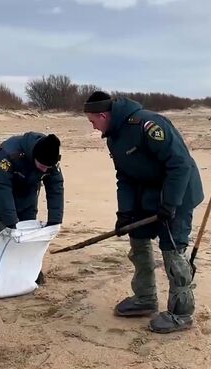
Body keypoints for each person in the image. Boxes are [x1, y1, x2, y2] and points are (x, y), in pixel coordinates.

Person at [83, 91, 204, 333]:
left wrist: (170, 204)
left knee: (173, 252)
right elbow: (124, 177)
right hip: (146, 196)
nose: (94, 127)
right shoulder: (114, 137)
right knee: (138, 243)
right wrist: (124, 213)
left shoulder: (149, 125)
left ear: (103, 115)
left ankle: (181, 314)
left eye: (93, 121)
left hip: (177, 194)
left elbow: (179, 165)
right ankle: (145, 298)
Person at [0, 132, 64, 284]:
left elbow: (56, 187)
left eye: (48, 168)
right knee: (1, 227)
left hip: (29, 186)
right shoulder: (8, 154)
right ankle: (0, 271)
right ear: (34, 156)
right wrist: (11, 221)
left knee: (27, 226)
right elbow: (2, 187)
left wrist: (55, 219)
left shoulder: (50, 160)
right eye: (42, 166)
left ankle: (27, 270)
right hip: (1, 183)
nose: (45, 170)